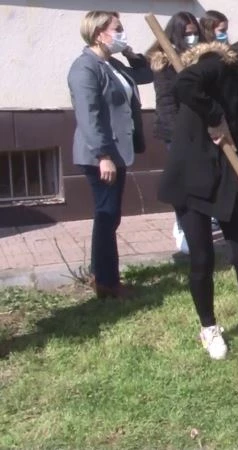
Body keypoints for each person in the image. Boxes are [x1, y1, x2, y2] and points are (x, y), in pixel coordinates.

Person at [158, 21, 238, 359]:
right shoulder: (218, 66)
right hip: (194, 174)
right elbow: (184, 85)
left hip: (231, 178)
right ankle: (209, 329)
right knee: (202, 257)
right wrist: (215, 115)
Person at [68, 11, 153, 299]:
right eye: (117, 29)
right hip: (100, 155)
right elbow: (88, 115)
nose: (122, 33)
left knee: (109, 216)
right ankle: (106, 282)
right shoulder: (85, 68)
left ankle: (100, 274)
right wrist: (103, 154)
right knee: (107, 215)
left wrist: (129, 52)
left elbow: (145, 74)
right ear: (98, 33)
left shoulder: (113, 64)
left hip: (116, 151)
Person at [147, 11, 205, 255]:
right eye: (186, 33)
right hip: (177, 132)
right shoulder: (164, 61)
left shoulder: (200, 57)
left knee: (200, 180)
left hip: (200, 128)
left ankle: (198, 225)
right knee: (183, 182)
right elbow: (166, 102)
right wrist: (177, 134)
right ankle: (182, 228)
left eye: (195, 33)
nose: (191, 38)